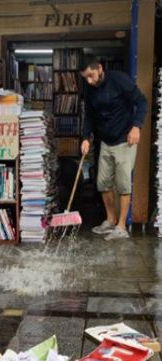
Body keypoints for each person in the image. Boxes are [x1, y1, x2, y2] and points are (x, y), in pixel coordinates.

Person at [80, 55, 147, 241]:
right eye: (85, 77)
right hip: (105, 142)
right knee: (103, 183)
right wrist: (86, 137)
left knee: (123, 184)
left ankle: (121, 226)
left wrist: (136, 126)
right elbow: (89, 116)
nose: (89, 81)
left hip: (125, 140)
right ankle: (110, 220)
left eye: (91, 75)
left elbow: (141, 102)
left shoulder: (119, 80)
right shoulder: (89, 88)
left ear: (100, 68)